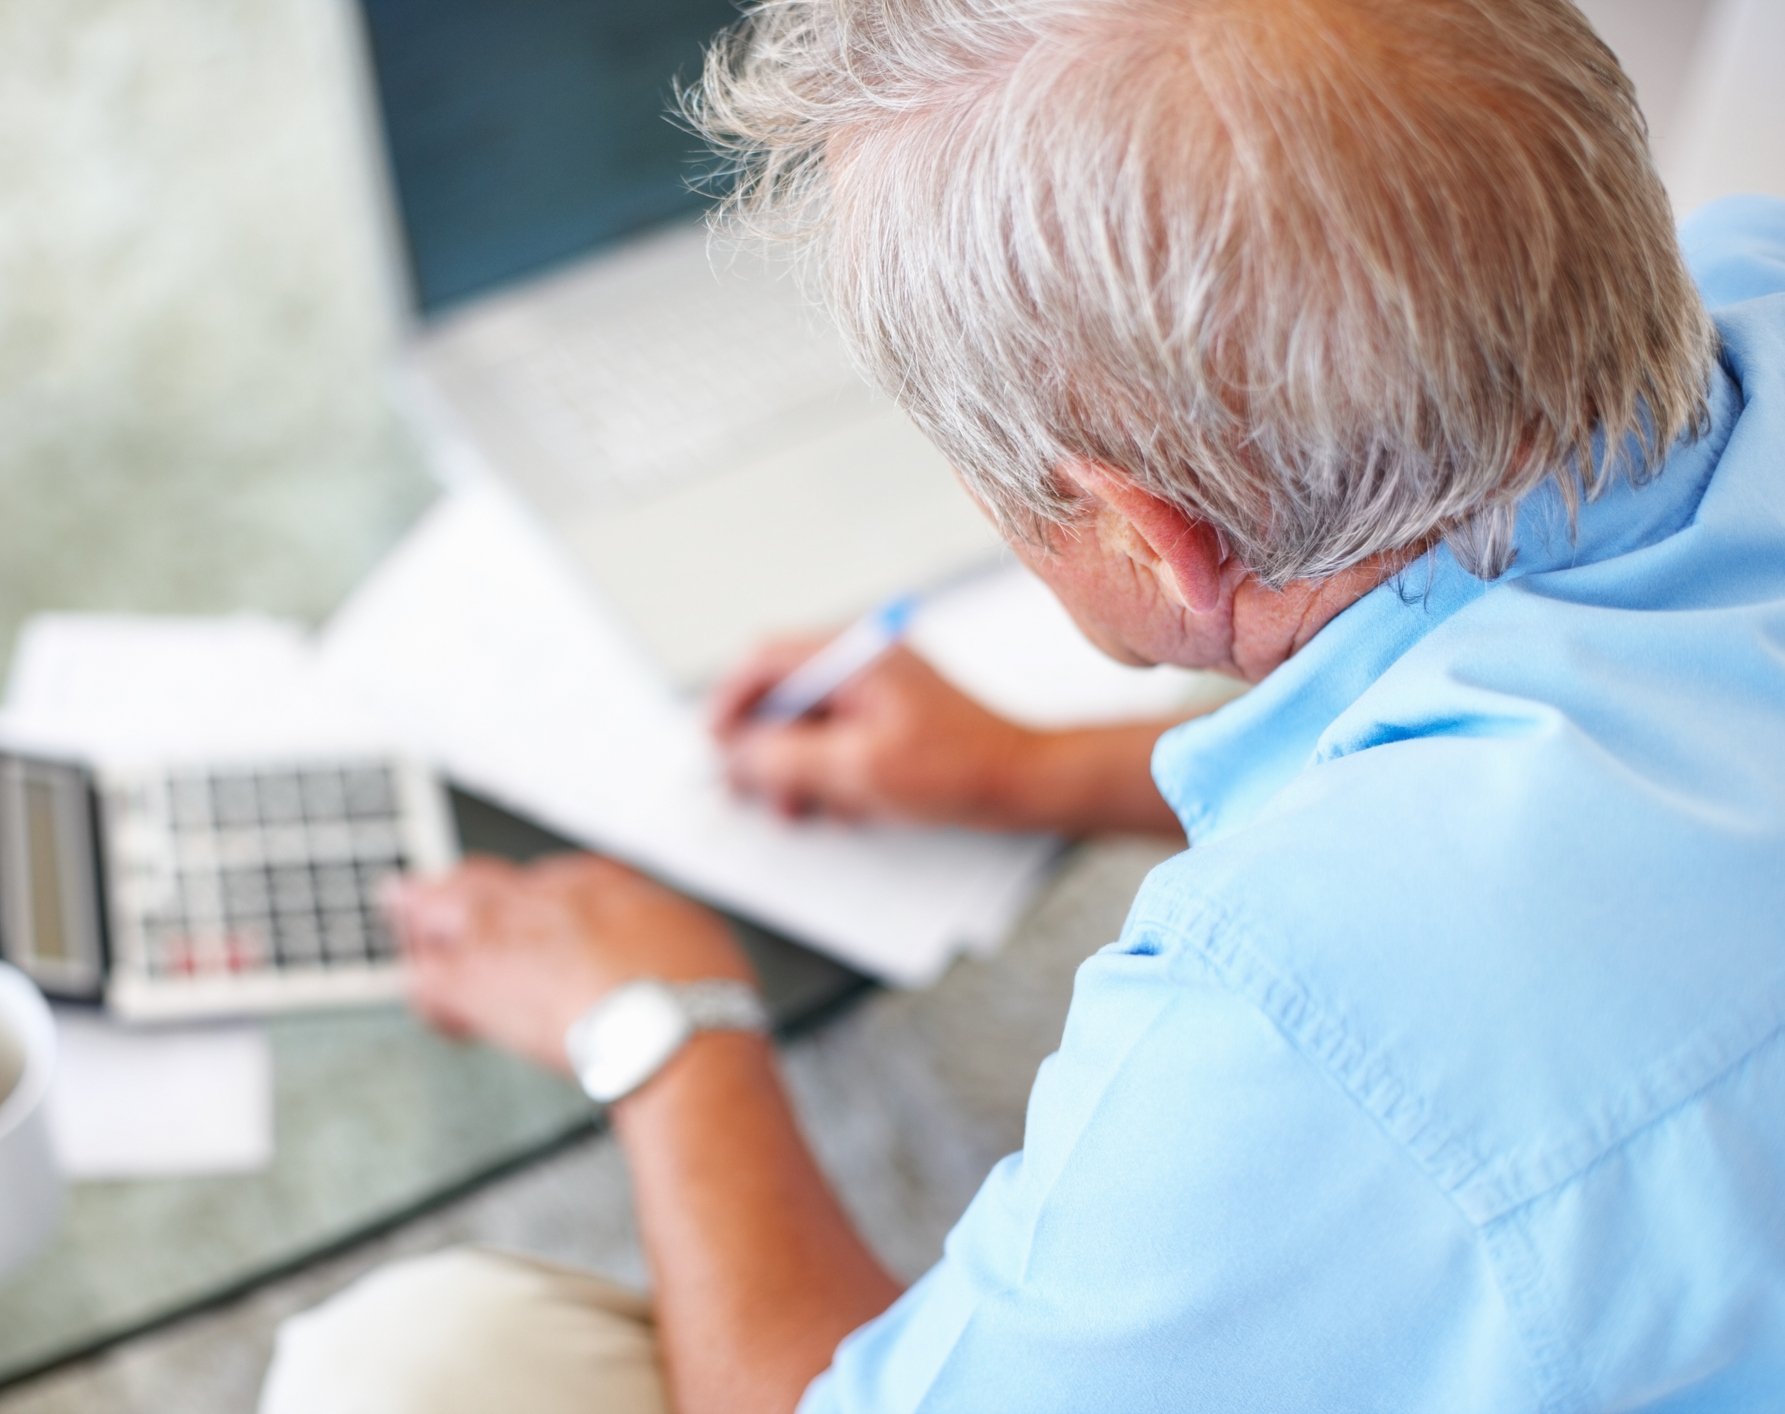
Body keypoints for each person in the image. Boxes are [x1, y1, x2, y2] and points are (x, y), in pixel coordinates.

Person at [261, 0, 1785, 1409]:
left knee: (405, 1363)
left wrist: (665, 1024)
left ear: (1149, 539)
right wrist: (1030, 769)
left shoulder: (1305, 1014)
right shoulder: (1752, 271)